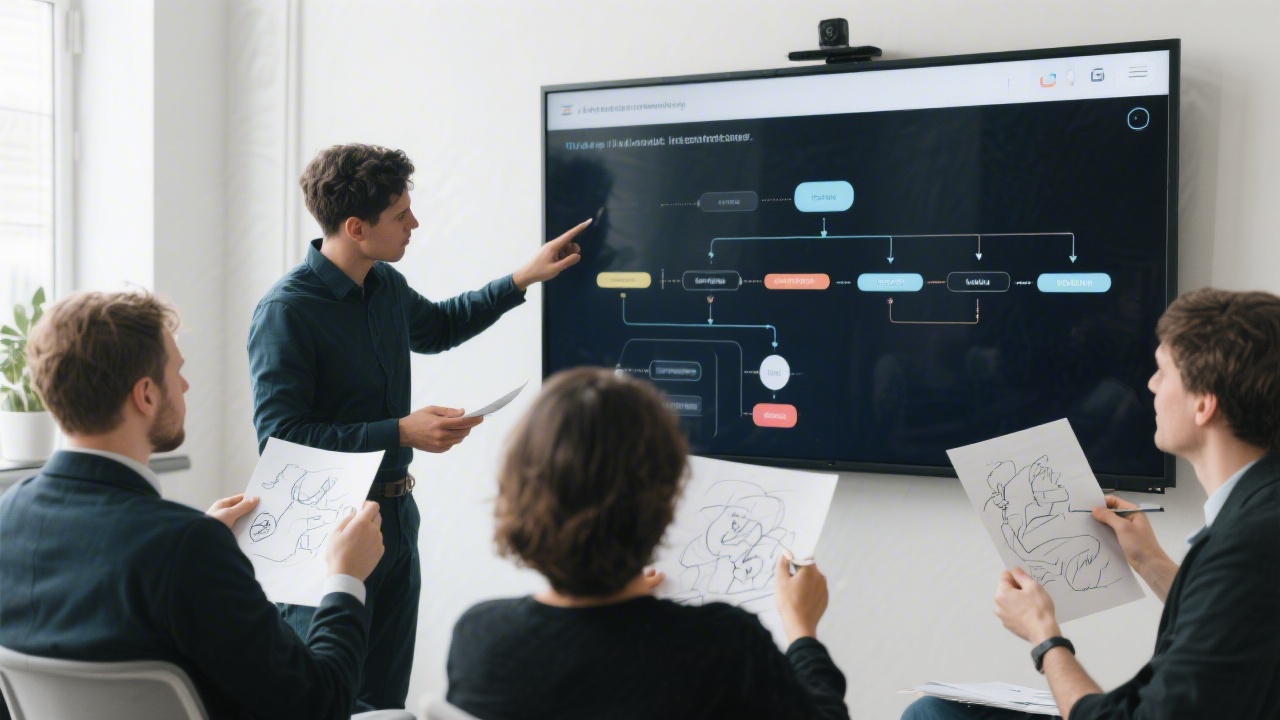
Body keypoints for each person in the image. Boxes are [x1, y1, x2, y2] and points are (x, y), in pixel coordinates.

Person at [247, 143, 591, 711]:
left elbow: (437, 327)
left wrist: (522, 277)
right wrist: (399, 432)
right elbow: (281, 441)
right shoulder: (287, 311)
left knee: (386, 701)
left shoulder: (383, 285)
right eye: (401, 214)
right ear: (356, 228)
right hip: (323, 532)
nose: (414, 223)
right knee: (331, 700)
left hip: (396, 520)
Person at [0, 291, 386, 720]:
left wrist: (194, 544)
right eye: (177, 372)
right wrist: (346, 579)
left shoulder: (8, 516)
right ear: (145, 395)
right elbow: (320, 705)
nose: (184, 386)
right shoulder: (186, 547)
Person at [902, 288, 1280, 720]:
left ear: (1203, 404)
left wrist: (1045, 638)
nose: (1151, 385)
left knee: (932, 716)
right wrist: (1149, 560)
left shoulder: (1247, 549)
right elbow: (1227, 628)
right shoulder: (1261, 517)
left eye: (1162, 372)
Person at [446, 367, 850, 720]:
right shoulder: (722, 647)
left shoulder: (482, 640)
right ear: (665, 500)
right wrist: (802, 629)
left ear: (518, 494)